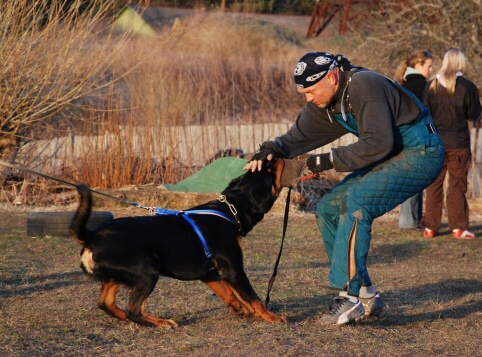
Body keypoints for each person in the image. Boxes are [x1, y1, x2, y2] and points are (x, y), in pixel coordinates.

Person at [244, 51, 444, 325]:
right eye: (303, 93)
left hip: (421, 150)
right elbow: (297, 138)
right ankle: (364, 293)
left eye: (311, 90)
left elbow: (377, 143)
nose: (308, 98)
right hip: (392, 153)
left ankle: (349, 300)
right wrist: (269, 150)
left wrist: (325, 160)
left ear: (332, 77)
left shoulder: (364, 85)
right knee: (327, 208)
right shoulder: (326, 102)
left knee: (356, 202)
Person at [421, 48, 482, 239]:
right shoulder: (467, 87)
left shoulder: (431, 86)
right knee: (457, 185)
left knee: (434, 185)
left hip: (436, 143)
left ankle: (430, 227)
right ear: (461, 63)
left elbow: (424, 116)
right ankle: (458, 228)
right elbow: (473, 114)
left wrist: (432, 136)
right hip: (458, 143)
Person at [394, 50, 434, 229]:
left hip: (403, 136)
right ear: (418, 65)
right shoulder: (419, 85)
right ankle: (409, 221)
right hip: (415, 137)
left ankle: (409, 220)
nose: (431, 70)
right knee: (414, 179)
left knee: (409, 178)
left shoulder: (402, 83)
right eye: (429, 66)